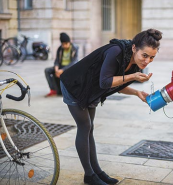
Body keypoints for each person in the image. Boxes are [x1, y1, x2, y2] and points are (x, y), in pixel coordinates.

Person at [60, 29, 162, 185]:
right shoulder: (116, 52)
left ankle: (96, 172)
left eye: (152, 57)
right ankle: (90, 175)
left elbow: (116, 84)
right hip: (75, 84)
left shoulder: (134, 63)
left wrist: (136, 92)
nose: (147, 61)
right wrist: (133, 77)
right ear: (134, 48)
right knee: (85, 126)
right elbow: (105, 82)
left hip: (91, 89)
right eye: (145, 55)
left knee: (89, 128)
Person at [44, 32, 78, 97]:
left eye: (66, 44)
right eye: (63, 44)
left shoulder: (74, 48)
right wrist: (56, 68)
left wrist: (62, 70)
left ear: (69, 42)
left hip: (69, 67)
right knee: (47, 70)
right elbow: (56, 60)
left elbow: (74, 62)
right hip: (60, 66)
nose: (64, 46)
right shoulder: (60, 48)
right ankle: (53, 90)